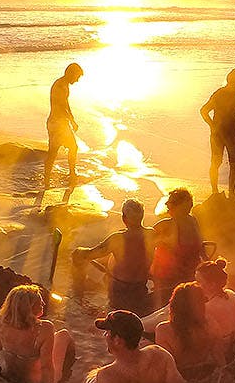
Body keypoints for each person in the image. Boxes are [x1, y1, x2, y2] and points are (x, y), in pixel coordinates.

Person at [84, 310, 187, 383]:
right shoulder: (159, 355)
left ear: (117, 340)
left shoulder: (107, 376)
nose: (104, 335)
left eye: (107, 332)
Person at [0, 284, 76, 383]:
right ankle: (72, 369)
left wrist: (13, 350)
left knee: (52, 339)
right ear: (29, 308)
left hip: (9, 375)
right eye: (39, 302)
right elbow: (46, 367)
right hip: (34, 382)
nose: (43, 303)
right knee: (63, 335)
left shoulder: (1, 320)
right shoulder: (45, 327)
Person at [74, 198, 153, 318]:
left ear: (124, 218)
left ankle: (76, 298)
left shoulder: (117, 238)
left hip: (120, 292)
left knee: (79, 256)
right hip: (140, 288)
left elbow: (91, 254)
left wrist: (78, 251)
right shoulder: (151, 234)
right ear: (142, 216)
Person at [149, 188, 206, 307]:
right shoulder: (193, 220)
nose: (166, 204)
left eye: (169, 202)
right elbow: (201, 247)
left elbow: (143, 237)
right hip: (191, 272)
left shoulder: (168, 224)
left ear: (178, 206)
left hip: (172, 277)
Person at [153, 283, 217, 381]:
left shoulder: (163, 329)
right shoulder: (210, 323)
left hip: (181, 378)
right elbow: (219, 358)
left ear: (173, 304)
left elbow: (167, 366)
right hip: (205, 375)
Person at [200, 68, 235, 197]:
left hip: (232, 133)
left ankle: (232, 192)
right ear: (230, 81)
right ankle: (214, 191)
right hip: (218, 134)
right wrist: (212, 125)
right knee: (216, 162)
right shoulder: (219, 94)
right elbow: (203, 110)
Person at [43, 62, 83, 192]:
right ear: (70, 73)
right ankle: (67, 176)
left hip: (59, 123)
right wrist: (71, 120)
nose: (77, 80)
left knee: (56, 152)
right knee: (57, 152)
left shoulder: (64, 84)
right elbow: (60, 106)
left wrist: (72, 119)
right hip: (57, 124)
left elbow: (66, 104)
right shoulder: (59, 86)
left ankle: (52, 179)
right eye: (77, 76)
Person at [196, 258, 235, 365]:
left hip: (216, 358)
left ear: (212, 284)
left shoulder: (208, 308)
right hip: (231, 350)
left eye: (199, 282)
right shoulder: (231, 294)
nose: (195, 285)